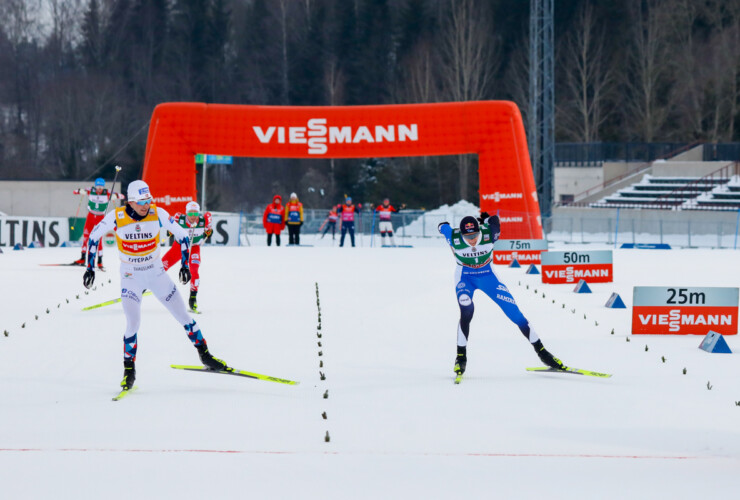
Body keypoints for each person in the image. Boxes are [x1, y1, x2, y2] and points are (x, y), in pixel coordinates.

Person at [82, 180, 229, 392]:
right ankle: (129, 371)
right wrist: (90, 268)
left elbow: (182, 236)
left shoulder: (157, 213)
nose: (146, 205)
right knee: (133, 323)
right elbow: (93, 237)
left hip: (156, 275)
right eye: (141, 201)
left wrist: (186, 266)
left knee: (184, 317)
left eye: (148, 200)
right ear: (131, 201)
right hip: (131, 278)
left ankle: (206, 356)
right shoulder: (116, 217)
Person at [437, 212, 564, 378]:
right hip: (465, 277)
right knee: (466, 311)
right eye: (468, 236)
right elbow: (442, 226)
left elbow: (495, 221)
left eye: (475, 234)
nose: (472, 240)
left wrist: (487, 218)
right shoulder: (453, 237)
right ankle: (461, 356)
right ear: (461, 234)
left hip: (488, 276)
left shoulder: (490, 233)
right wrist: (443, 226)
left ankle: (543, 353)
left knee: (515, 315)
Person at [161, 201, 213, 312]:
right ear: (186, 213)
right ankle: (143, 288)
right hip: (179, 247)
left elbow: (208, 227)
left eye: (195, 214)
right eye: (190, 214)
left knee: (194, 269)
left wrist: (209, 231)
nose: (193, 216)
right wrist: (170, 231)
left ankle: (193, 298)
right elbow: (169, 226)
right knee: (161, 267)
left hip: (194, 247)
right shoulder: (179, 219)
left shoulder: (204, 221)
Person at [72, 177, 125, 268]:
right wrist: (80, 191)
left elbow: (122, 196)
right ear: (95, 186)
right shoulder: (90, 190)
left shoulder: (107, 192)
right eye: (98, 186)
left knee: (98, 238)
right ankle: (82, 257)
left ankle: (100, 260)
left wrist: (115, 196)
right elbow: (74, 191)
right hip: (91, 216)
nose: (99, 188)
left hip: (100, 217)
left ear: (103, 187)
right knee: (86, 236)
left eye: (101, 186)